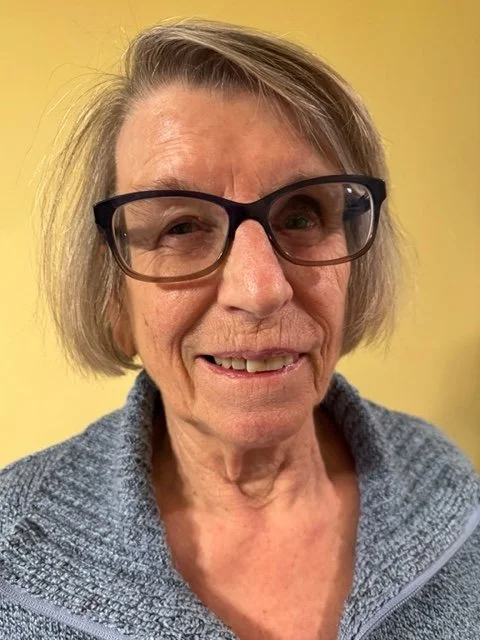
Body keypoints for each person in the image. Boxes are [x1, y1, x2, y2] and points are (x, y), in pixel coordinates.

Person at [0, 18, 478, 640]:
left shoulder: (450, 486)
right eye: (180, 227)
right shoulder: (11, 549)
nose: (260, 290)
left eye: (302, 215)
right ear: (113, 294)